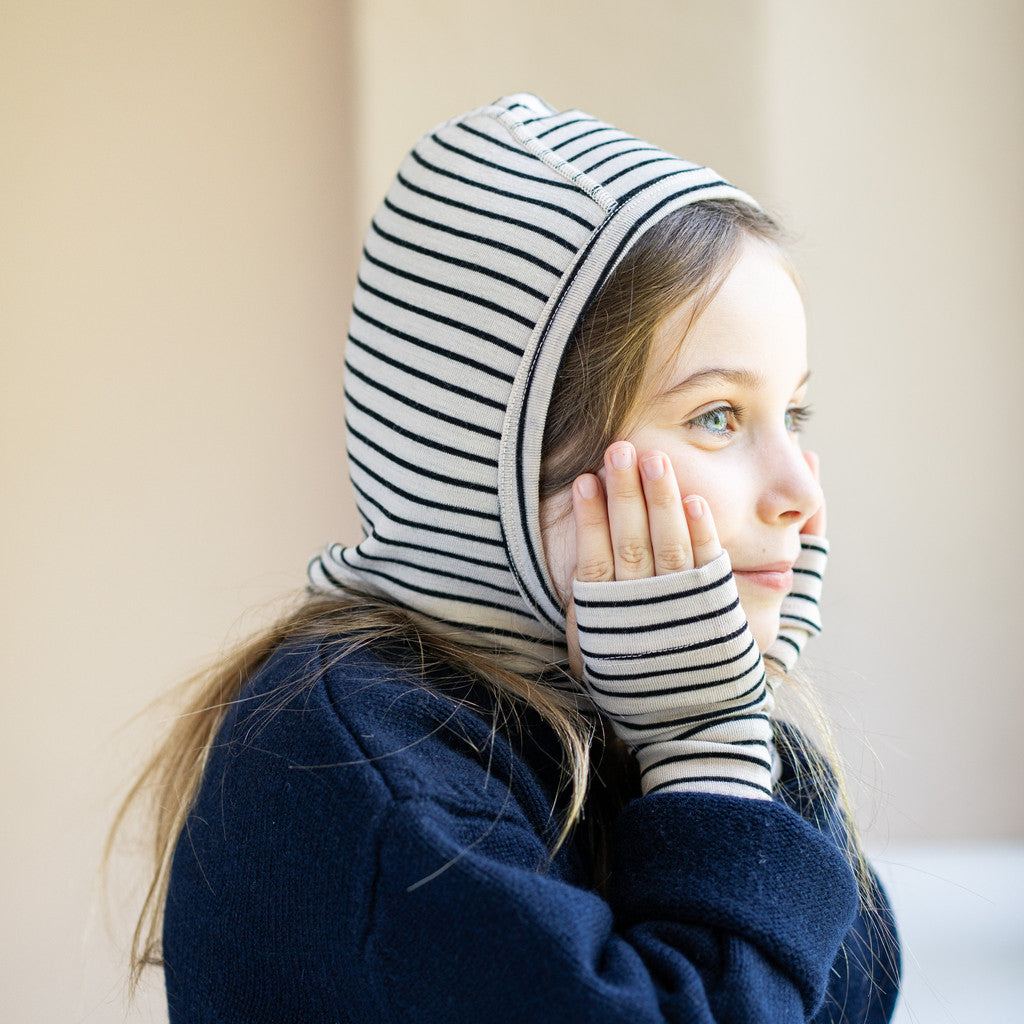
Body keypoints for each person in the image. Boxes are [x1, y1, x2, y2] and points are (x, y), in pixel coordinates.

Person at [119, 93, 901, 1022]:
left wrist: (741, 707)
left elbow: (851, 990)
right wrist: (708, 749)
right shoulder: (357, 766)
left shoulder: (634, 705)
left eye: (793, 416)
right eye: (717, 417)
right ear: (494, 464)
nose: (801, 495)